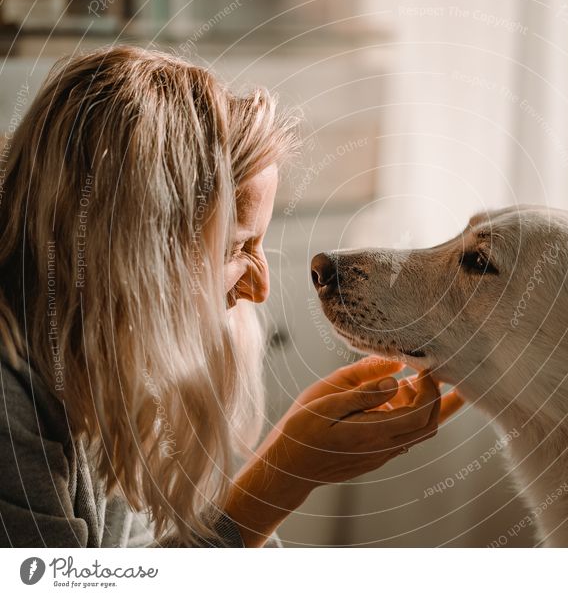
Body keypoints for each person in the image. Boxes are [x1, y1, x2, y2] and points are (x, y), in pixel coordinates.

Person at [0, 45, 463, 547]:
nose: (259, 289)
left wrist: (288, 462)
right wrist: (283, 477)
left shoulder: (100, 362)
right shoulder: (10, 409)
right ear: (137, 248)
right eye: (237, 246)